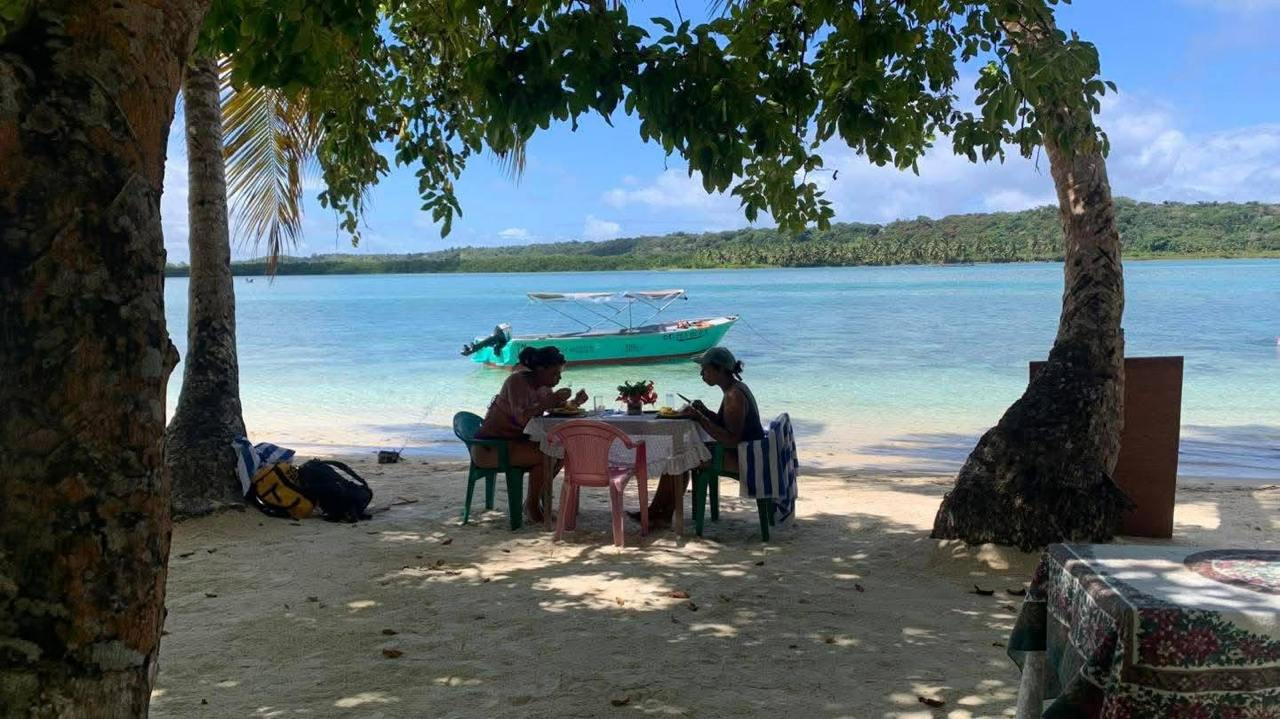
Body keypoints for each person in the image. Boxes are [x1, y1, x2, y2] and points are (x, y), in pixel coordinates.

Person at [640, 346, 764, 528]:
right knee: (680, 455)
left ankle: (660, 514)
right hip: (746, 452)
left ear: (720, 369)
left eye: (705, 369)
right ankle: (659, 512)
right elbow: (727, 424)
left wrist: (699, 417)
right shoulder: (736, 388)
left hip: (742, 458)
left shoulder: (734, 395)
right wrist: (705, 412)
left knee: (678, 458)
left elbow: (731, 438)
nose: (701, 374)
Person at [473, 345, 587, 522]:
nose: (559, 378)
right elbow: (522, 418)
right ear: (540, 369)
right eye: (555, 374)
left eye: (560, 374)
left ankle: (535, 499)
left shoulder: (543, 388)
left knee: (563, 452)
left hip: (516, 444)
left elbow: (553, 411)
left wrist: (575, 403)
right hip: (491, 448)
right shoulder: (516, 382)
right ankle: (532, 506)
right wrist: (547, 403)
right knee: (546, 455)